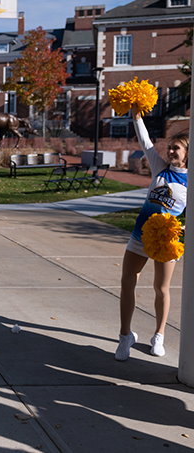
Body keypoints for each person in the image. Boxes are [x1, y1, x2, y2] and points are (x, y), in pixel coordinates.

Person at [116, 105, 188, 361]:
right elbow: (146, 142)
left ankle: (159, 336)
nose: (170, 152)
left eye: (175, 149)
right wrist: (136, 115)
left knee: (161, 288)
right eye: (169, 147)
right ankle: (125, 336)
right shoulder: (159, 168)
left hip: (167, 242)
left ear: (187, 153)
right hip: (140, 235)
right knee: (127, 282)